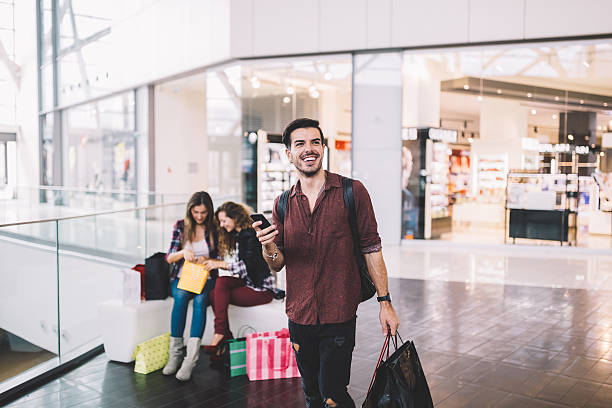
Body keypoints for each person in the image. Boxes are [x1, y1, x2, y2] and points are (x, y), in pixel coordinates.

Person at [254, 118, 400, 408]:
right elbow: (277, 263)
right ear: (289, 153)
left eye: (315, 142)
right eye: (300, 144)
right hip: (299, 315)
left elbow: (372, 248)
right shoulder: (283, 203)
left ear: (323, 147)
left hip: (339, 313)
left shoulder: (351, 192)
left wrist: (385, 303)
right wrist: (268, 245)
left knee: (333, 393)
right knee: (311, 394)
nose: (309, 149)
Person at [202, 201, 277, 356]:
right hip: (249, 282)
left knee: (217, 292)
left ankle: (221, 336)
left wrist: (219, 264)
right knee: (216, 290)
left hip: (261, 289)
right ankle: (224, 337)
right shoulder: (239, 235)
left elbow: (249, 265)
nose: (222, 225)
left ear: (235, 217)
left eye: (224, 221)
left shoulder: (250, 235)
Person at [162, 191, 218, 381]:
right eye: (196, 212)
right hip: (182, 277)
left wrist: (207, 259)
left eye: (203, 212)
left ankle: (190, 360)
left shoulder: (214, 228)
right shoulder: (180, 226)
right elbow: (169, 257)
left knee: (201, 300)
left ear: (209, 211)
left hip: (206, 277)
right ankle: (175, 355)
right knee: (180, 297)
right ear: (190, 211)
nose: (200, 216)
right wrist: (183, 252)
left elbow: (221, 257)